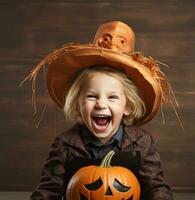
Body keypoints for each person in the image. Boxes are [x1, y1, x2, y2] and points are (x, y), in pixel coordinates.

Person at [23, 21, 177, 200]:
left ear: (127, 107)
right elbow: (47, 191)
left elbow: (157, 188)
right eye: (91, 96)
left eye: (112, 97)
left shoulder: (142, 143)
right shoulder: (65, 144)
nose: (101, 104)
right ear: (77, 103)